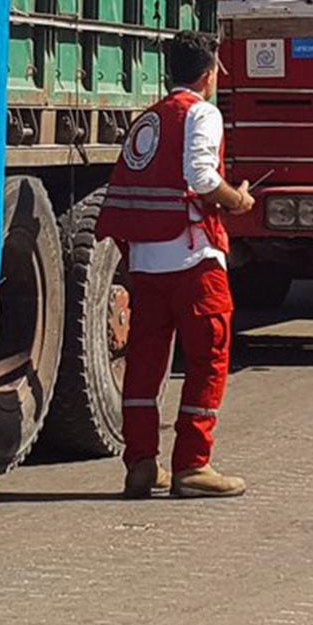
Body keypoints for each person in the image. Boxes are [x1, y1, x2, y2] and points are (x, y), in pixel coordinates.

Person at [95, 30, 255, 498]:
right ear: (209, 75)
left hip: (146, 261)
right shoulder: (202, 113)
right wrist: (237, 200)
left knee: (145, 364)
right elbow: (201, 177)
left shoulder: (149, 119)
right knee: (209, 358)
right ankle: (192, 465)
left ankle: (141, 464)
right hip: (193, 258)